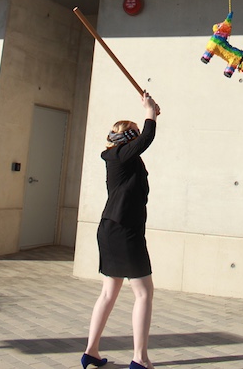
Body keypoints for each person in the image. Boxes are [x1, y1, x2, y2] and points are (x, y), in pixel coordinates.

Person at [81, 91, 160, 369]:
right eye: (135, 133)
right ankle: (140, 358)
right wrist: (148, 111)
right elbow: (147, 138)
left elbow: (144, 138)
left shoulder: (122, 157)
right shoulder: (120, 156)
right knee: (143, 293)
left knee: (108, 292)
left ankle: (91, 351)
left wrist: (152, 116)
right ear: (128, 138)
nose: (139, 136)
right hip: (124, 230)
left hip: (112, 228)